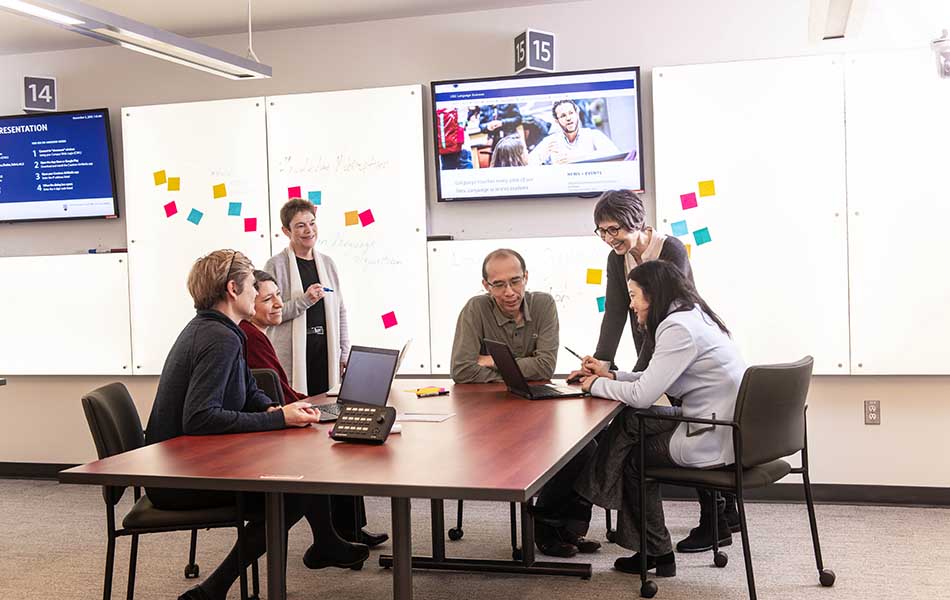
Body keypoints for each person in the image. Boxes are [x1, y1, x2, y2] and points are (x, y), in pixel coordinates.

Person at [144, 250, 360, 600]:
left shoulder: (220, 330)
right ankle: (212, 589)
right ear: (233, 289)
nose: (256, 293)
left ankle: (325, 543)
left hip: (184, 465)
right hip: (179, 480)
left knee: (301, 474)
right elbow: (199, 417)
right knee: (291, 493)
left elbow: (249, 390)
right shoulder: (220, 338)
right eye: (251, 287)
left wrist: (275, 408)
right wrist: (279, 418)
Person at [572, 260, 746, 576]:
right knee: (630, 422)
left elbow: (642, 395)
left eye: (634, 294)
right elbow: (653, 379)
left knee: (634, 457)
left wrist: (596, 385)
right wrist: (611, 374)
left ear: (653, 294)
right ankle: (592, 493)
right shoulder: (694, 315)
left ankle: (656, 551)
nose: (631, 303)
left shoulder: (677, 328)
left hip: (710, 432)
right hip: (716, 420)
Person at [588, 190, 739, 552]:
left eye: (614, 230)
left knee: (681, 422)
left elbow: (670, 307)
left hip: (674, 352)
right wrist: (604, 363)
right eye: (602, 232)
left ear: (635, 222)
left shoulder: (671, 253)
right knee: (658, 418)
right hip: (661, 351)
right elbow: (614, 311)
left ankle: (717, 515)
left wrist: (632, 375)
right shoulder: (616, 258)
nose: (609, 239)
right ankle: (717, 516)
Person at [449, 249, 598, 557]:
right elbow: (461, 369)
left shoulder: (543, 304)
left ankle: (559, 523)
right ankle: (547, 528)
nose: (509, 292)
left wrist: (490, 362)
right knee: (527, 452)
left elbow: (544, 367)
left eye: (516, 281)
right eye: (499, 284)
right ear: (486, 285)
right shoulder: (475, 309)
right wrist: (516, 370)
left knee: (586, 447)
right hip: (488, 415)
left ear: (526, 277)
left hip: (538, 407)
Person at [264, 201, 385, 547]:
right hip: (295, 365)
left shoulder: (327, 263)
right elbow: (273, 314)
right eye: (300, 226)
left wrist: (345, 353)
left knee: (342, 440)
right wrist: (304, 299)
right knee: (315, 450)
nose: (309, 231)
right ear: (286, 231)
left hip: (326, 360)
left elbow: (340, 311)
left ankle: (352, 527)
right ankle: (332, 534)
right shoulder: (275, 266)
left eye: (312, 223)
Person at [240, 269, 389, 548]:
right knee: (338, 444)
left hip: (277, 417)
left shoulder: (258, 334)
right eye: (267, 299)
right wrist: (311, 403)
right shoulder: (251, 336)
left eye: (278, 297)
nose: (278, 305)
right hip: (269, 430)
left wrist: (314, 400)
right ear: (248, 303)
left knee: (339, 434)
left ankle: (337, 535)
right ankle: (337, 536)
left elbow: (278, 388)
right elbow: (277, 395)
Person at [529, 99, 619, 165]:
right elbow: (528, 163)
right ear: (557, 121)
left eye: (571, 113)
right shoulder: (550, 141)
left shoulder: (592, 134)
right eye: (563, 115)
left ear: (577, 114)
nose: (568, 118)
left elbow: (614, 153)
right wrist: (543, 157)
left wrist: (574, 159)